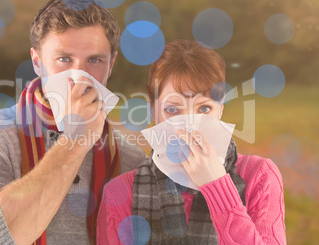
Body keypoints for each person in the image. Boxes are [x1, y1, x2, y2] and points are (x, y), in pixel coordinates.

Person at [0, 0, 146, 245]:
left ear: (111, 65)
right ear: (37, 61)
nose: (79, 76)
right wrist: (75, 142)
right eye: (64, 59)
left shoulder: (132, 158)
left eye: (94, 60)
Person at [97, 39, 286, 244]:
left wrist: (217, 186)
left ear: (220, 109)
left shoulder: (259, 176)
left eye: (204, 108)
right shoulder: (119, 194)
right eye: (172, 109)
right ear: (152, 110)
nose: (189, 126)